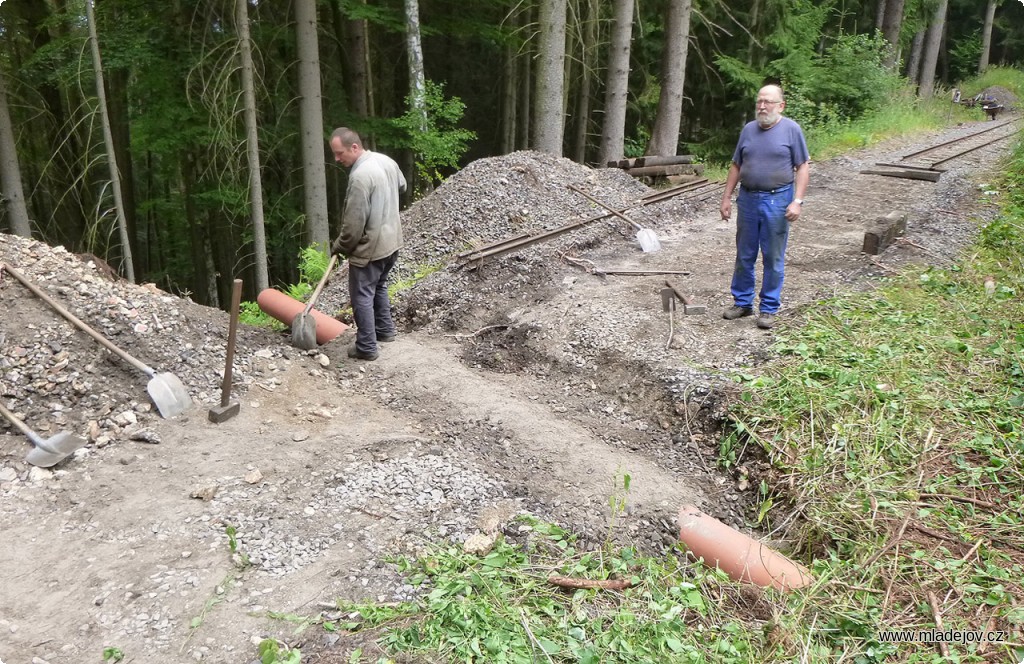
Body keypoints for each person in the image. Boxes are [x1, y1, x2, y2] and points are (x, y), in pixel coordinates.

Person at [719, 84, 810, 330]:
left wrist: (797, 201)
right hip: (747, 199)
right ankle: (743, 303)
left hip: (778, 199)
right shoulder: (748, 130)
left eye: (768, 102)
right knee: (745, 253)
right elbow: (736, 165)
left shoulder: (791, 130)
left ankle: (768, 308)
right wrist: (726, 197)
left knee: (773, 256)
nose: (762, 106)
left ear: (781, 105)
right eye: (759, 101)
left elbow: (802, 167)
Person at [329, 127, 407, 360]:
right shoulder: (386, 161)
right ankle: (385, 331)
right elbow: (401, 186)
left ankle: (366, 347)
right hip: (392, 240)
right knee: (379, 285)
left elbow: (353, 225)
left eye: (340, 153)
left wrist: (340, 246)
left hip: (371, 246)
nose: (337, 158)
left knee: (361, 294)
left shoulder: (360, 177)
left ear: (354, 147)